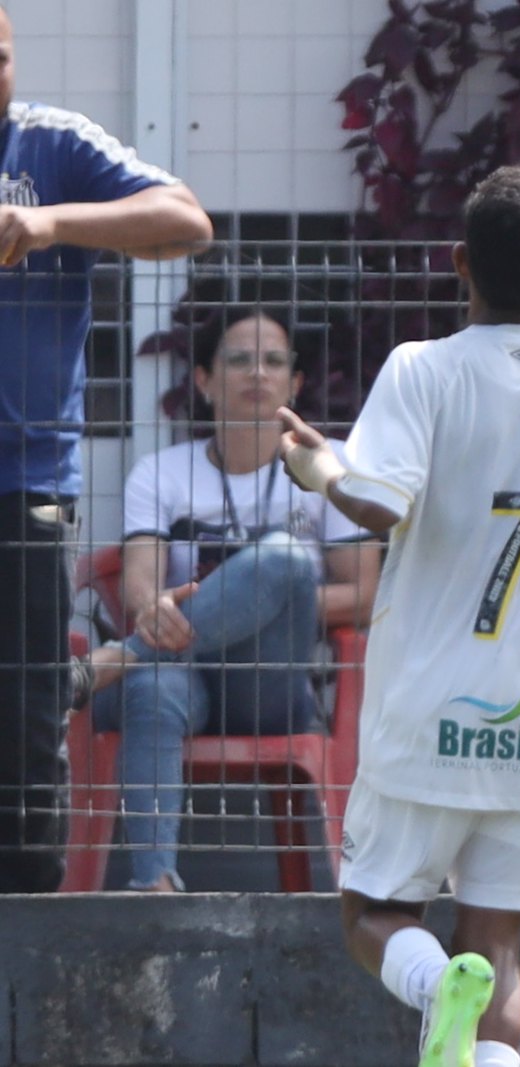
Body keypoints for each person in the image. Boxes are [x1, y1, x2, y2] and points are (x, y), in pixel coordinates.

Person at [280, 166, 520, 1067]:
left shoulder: (422, 369)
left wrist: (320, 470)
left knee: (373, 914)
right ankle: (467, 1003)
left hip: (429, 704)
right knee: (498, 948)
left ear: (458, 262)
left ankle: (430, 987)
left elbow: (375, 505)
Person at [0, 4, 213, 892]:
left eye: (1, 58)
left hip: (26, 485)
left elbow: (185, 220)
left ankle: (25, 966)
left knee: (23, 732)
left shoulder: (47, 147)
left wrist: (50, 226)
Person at [83, 306, 381, 892]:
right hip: (181, 673)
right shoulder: (161, 472)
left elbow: (366, 594)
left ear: (295, 383)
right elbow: (141, 584)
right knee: (153, 685)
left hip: (268, 681)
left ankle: (122, 658)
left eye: (274, 362)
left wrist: (271, 594)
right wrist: (155, 610)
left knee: (287, 559)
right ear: (204, 380)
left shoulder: (330, 466)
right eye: (239, 360)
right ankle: (155, 890)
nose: (257, 374)